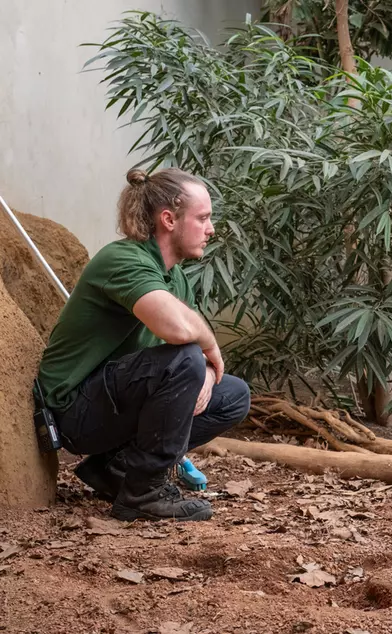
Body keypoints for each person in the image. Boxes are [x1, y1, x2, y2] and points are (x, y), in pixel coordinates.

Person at [36, 168, 250, 522]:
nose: (211, 229)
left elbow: (193, 349)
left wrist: (209, 376)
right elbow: (182, 331)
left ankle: (116, 468)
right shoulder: (122, 259)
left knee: (233, 395)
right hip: (73, 411)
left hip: (114, 401)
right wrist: (209, 348)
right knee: (184, 360)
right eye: (203, 218)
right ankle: (142, 494)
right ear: (168, 219)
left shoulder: (173, 275)